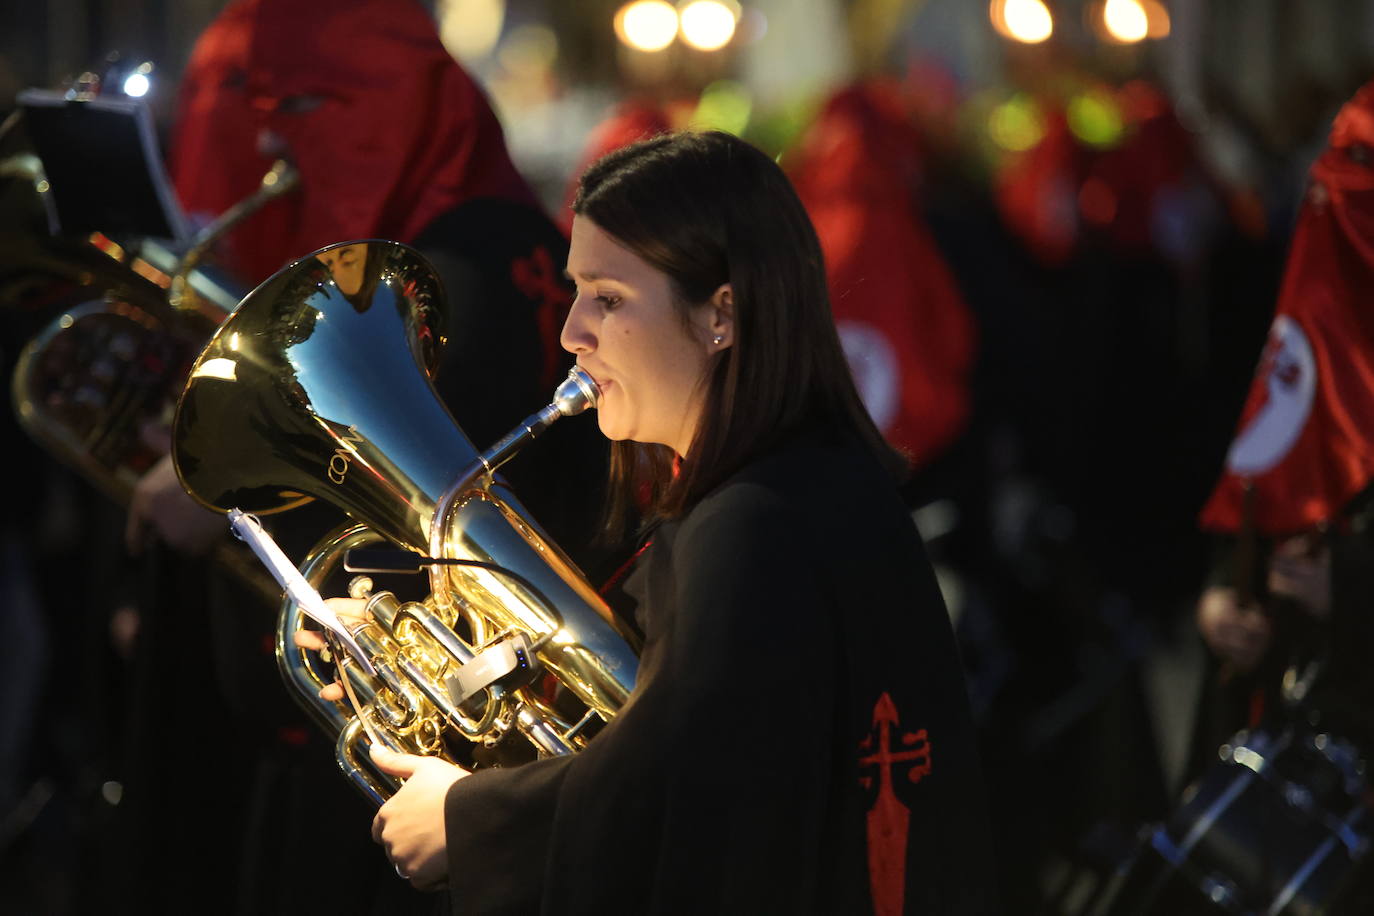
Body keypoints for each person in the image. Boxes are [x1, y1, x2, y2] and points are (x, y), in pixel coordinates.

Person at [301, 130, 996, 914]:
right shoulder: (802, 485)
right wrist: (387, 636)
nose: (571, 335)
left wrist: (470, 821)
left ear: (720, 316)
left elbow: (673, 788)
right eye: (575, 292)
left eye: (609, 299)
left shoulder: (756, 524)